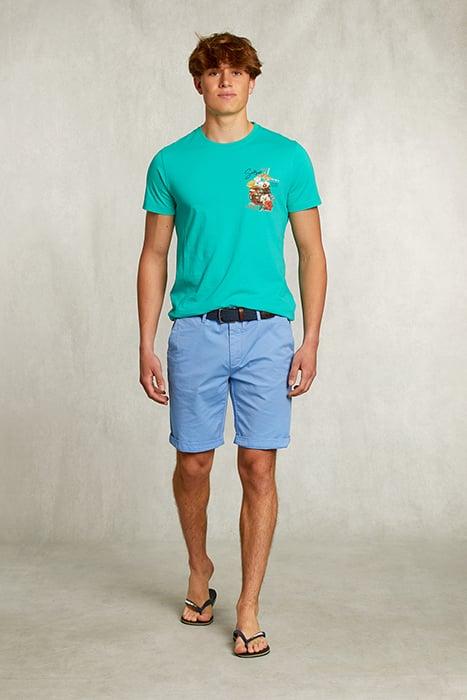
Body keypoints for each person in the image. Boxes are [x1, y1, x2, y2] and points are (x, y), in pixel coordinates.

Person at [137, 31, 327, 658]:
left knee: (258, 465)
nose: (226, 80)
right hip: (194, 331)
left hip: (268, 332)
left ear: (251, 81)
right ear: (198, 82)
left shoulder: (286, 158)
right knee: (193, 462)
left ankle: (248, 605)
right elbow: (154, 254)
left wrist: (311, 339)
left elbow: (311, 252)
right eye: (214, 71)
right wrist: (146, 341)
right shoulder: (171, 162)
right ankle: (200, 567)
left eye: (237, 71)